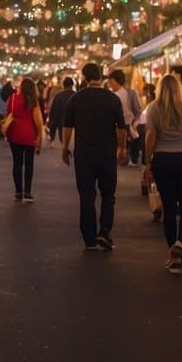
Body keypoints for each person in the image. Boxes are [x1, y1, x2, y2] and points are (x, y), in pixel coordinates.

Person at [62, 63, 128, 251]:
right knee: (108, 195)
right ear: (101, 77)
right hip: (107, 153)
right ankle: (105, 232)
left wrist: (65, 148)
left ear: (84, 77)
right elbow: (121, 128)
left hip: (84, 154)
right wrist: (122, 148)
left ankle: (89, 238)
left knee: (86, 195)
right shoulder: (113, 99)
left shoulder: (76, 99)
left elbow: (68, 127)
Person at [144, 75, 182, 272]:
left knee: (169, 207)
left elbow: (150, 137)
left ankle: (173, 253)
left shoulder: (153, 108)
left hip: (163, 160)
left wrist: (148, 163)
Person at [6, 77, 44, 202]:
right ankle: (27, 193)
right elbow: (38, 122)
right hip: (29, 135)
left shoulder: (12, 99)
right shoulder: (33, 101)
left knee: (17, 164)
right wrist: (39, 137)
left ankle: (18, 192)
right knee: (29, 164)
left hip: (15, 135)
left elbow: (9, 114)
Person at [108, 70, 143, 167]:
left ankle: (131, 159)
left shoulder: (130, 93)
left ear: (118, 80)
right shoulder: (109, 94)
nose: (110, 83)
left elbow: (138, 110)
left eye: (112, 80)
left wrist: (135, 123)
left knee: (130, 145)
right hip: (114, 125)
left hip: (129, 124)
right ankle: (121, 158)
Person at [47, 77, 75, 146]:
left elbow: (53, 113)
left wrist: (52, 128)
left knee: (65, 143)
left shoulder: (59, 96)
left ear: (63, 85)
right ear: (72, 85)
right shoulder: (76, 95)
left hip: (62, 124)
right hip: (75, 126)